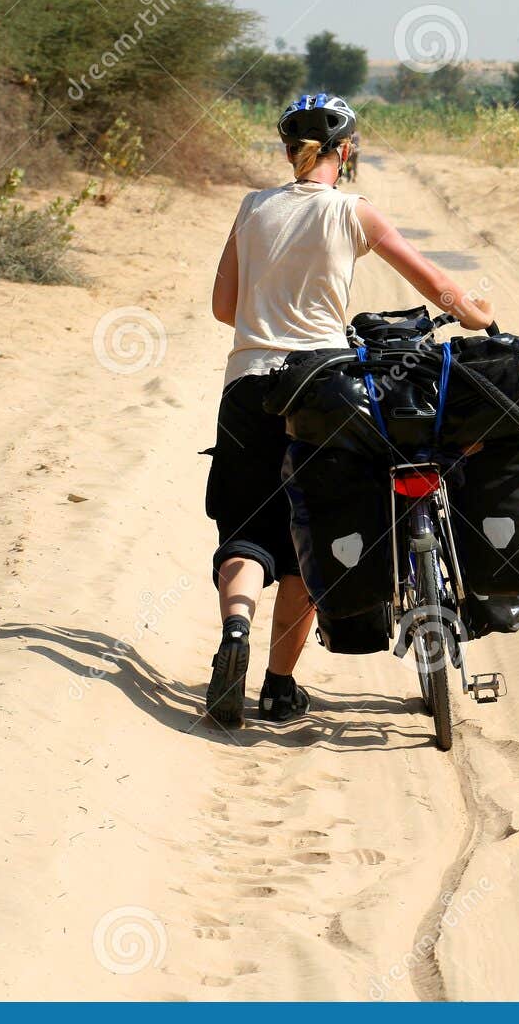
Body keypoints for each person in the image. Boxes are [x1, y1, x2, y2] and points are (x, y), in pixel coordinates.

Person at [204, 93, 494, 729]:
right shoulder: (352, 211)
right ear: (348, 150)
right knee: (313, 525)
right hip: (324, 389)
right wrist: (479, 316)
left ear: (288, 151)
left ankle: (233, 635)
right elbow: (433, 282)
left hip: (248, 384)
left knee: (248, 534)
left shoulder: (251, 209)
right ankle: (279, 688)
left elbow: (225, 308)